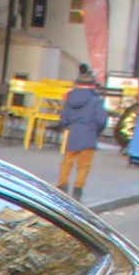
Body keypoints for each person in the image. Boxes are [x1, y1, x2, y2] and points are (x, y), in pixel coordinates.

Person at [54, 65, 108, 201]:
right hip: (89, 134)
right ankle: (77, 191)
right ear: (92, 85)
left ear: (77, 83)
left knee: (67, 162)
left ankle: (62, 186)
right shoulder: (95, 100)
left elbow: (64, 118)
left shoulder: (70, 98)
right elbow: (101, 119)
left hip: (73, 134)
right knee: (83, 165)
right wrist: (97, 130)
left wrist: (70, 127)